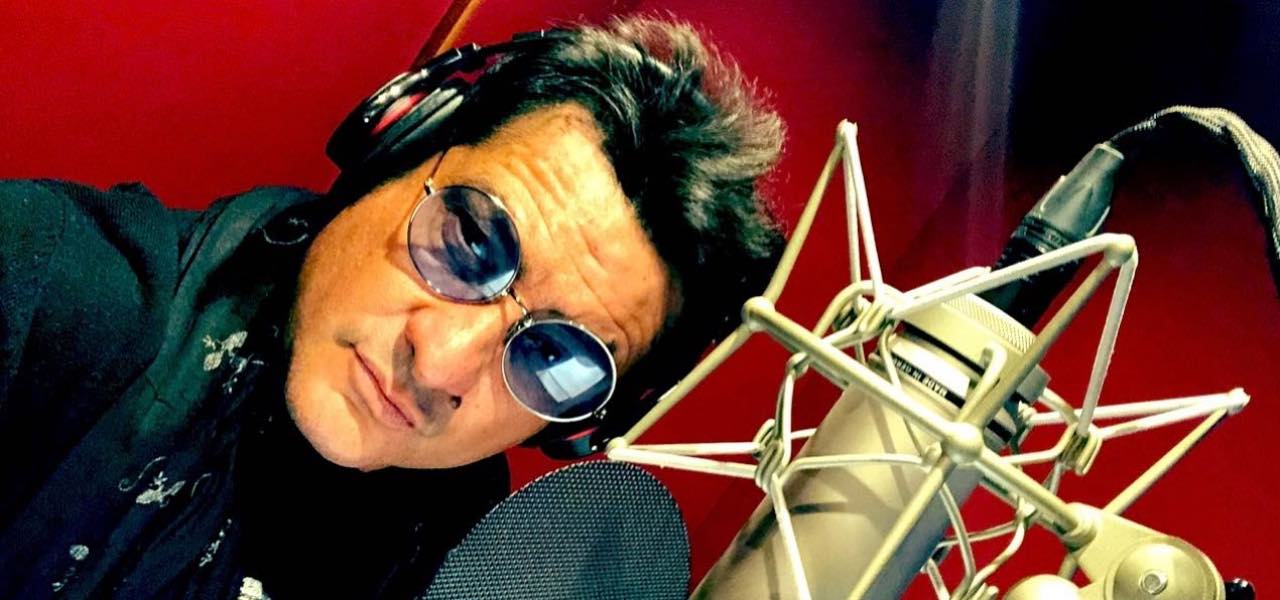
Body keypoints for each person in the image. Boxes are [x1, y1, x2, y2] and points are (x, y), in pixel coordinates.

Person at [0, 16, 785, 599]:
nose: (440, 363)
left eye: (554, 357)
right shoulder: (56, 288)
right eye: (470, 239)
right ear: (396, 149)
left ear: (576, 428)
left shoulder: (452, 542)